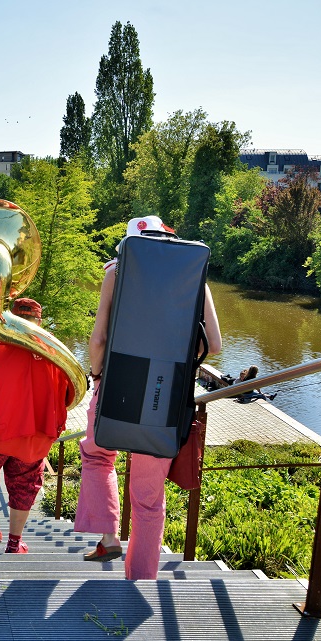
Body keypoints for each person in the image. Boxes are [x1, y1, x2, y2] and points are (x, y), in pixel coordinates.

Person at [74, 215, 222, 579]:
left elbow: (98, 340)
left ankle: (109, 536)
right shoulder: (194, 277)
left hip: (116, 387)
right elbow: (213, 345)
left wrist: (97, 377)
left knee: (96, 454)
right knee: (148, 500)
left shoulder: (116, 272)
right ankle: (139, 579)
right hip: (164, 396)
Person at [0, 298, 71, 554]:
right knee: (24, 486)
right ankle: (14, 542)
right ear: (39, 322)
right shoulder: (58, 355)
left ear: (11, 319)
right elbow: (68, 398)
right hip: (35, 439)